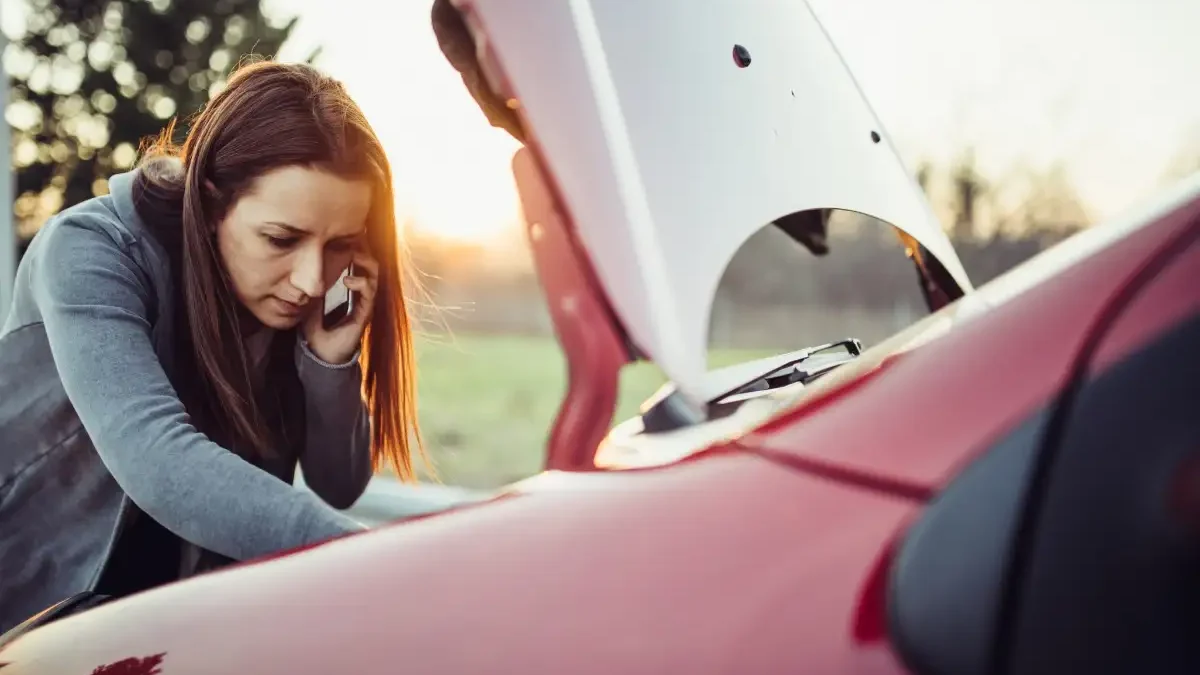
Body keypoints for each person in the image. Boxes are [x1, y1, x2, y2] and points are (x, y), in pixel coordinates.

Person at [0, 60, 456, 633]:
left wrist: (330, 363)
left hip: (161, 628)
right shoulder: (91, 252)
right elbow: (160, 462)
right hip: (25, 621)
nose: (312, 280)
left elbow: (339, 484)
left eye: (340, 244)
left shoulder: (301, 301)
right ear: (213, 203)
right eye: (281, 239)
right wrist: (375, 565)